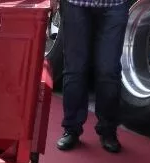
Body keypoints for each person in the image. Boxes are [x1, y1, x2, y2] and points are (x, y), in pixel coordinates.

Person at [53, 0, 129, 153]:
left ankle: (108, 130)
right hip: (76, 4)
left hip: (115, 5)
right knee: (75, 69)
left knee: (108, 70)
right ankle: (71, 128)